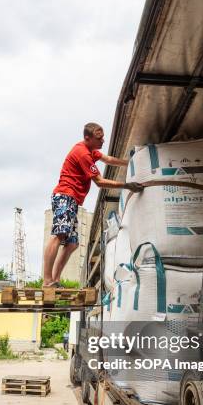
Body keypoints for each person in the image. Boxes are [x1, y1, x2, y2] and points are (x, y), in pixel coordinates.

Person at [43, 122, 143, 287]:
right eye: (99, 138)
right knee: (59, 235)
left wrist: (129, 162)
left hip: (73, 200)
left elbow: (107, 159)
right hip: (65, 196)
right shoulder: (82, 154)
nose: (103, 140)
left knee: (73, 243)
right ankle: (47, 281)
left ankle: (55, 279)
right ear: (87, 138)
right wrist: (127, 185)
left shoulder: (90, 150)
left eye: (103, 137)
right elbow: (100, 182)